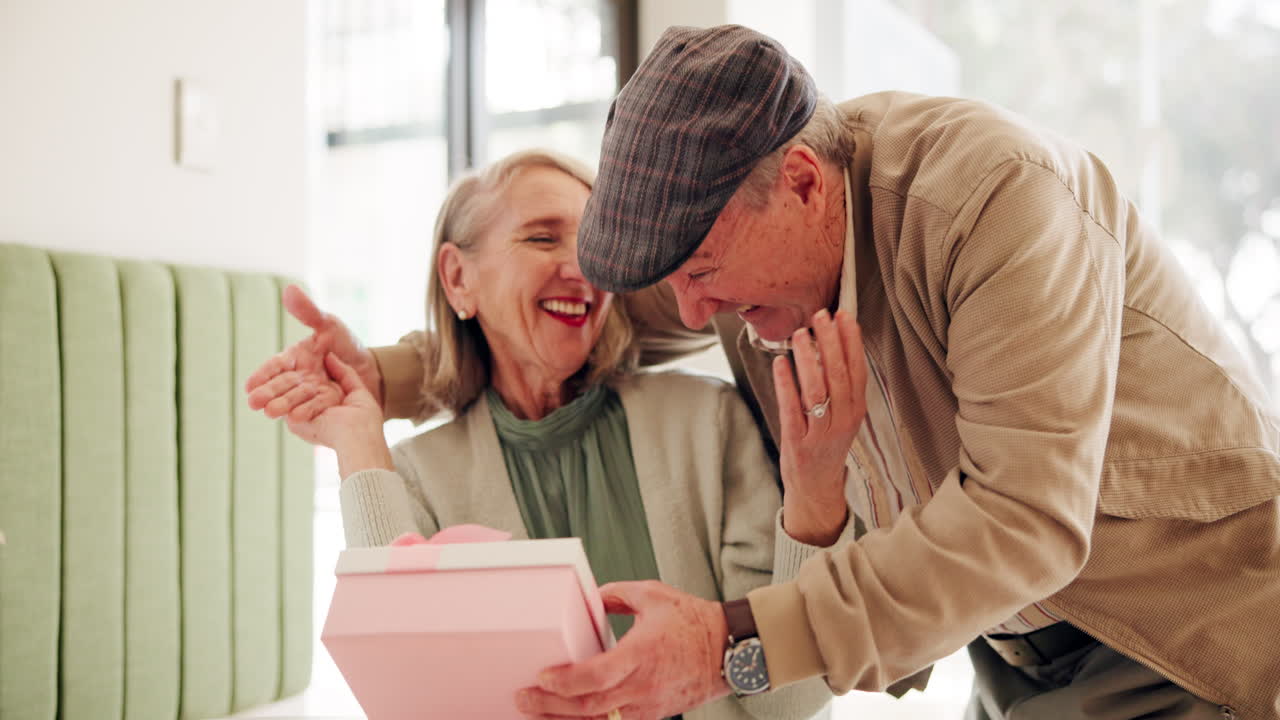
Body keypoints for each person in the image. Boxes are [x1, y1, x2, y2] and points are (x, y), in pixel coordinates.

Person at [256, 25, 1280, 720]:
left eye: (701, 272)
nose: (691, 317)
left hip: (1184, 636)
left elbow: (1025, 521)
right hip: (1015, 658)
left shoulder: (993, 202)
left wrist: (725, 642)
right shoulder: (753, 258)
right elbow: (582, 321)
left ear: (798, 181)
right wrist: (384, 382)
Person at [246, 149, 837, 720]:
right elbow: (414, 694)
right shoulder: (417, 478)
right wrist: (357, 441)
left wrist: (815, 494)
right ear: (458, 279)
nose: (581, 267)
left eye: (595, 246)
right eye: (542, 237)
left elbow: (789, 702)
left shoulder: (707, 422)